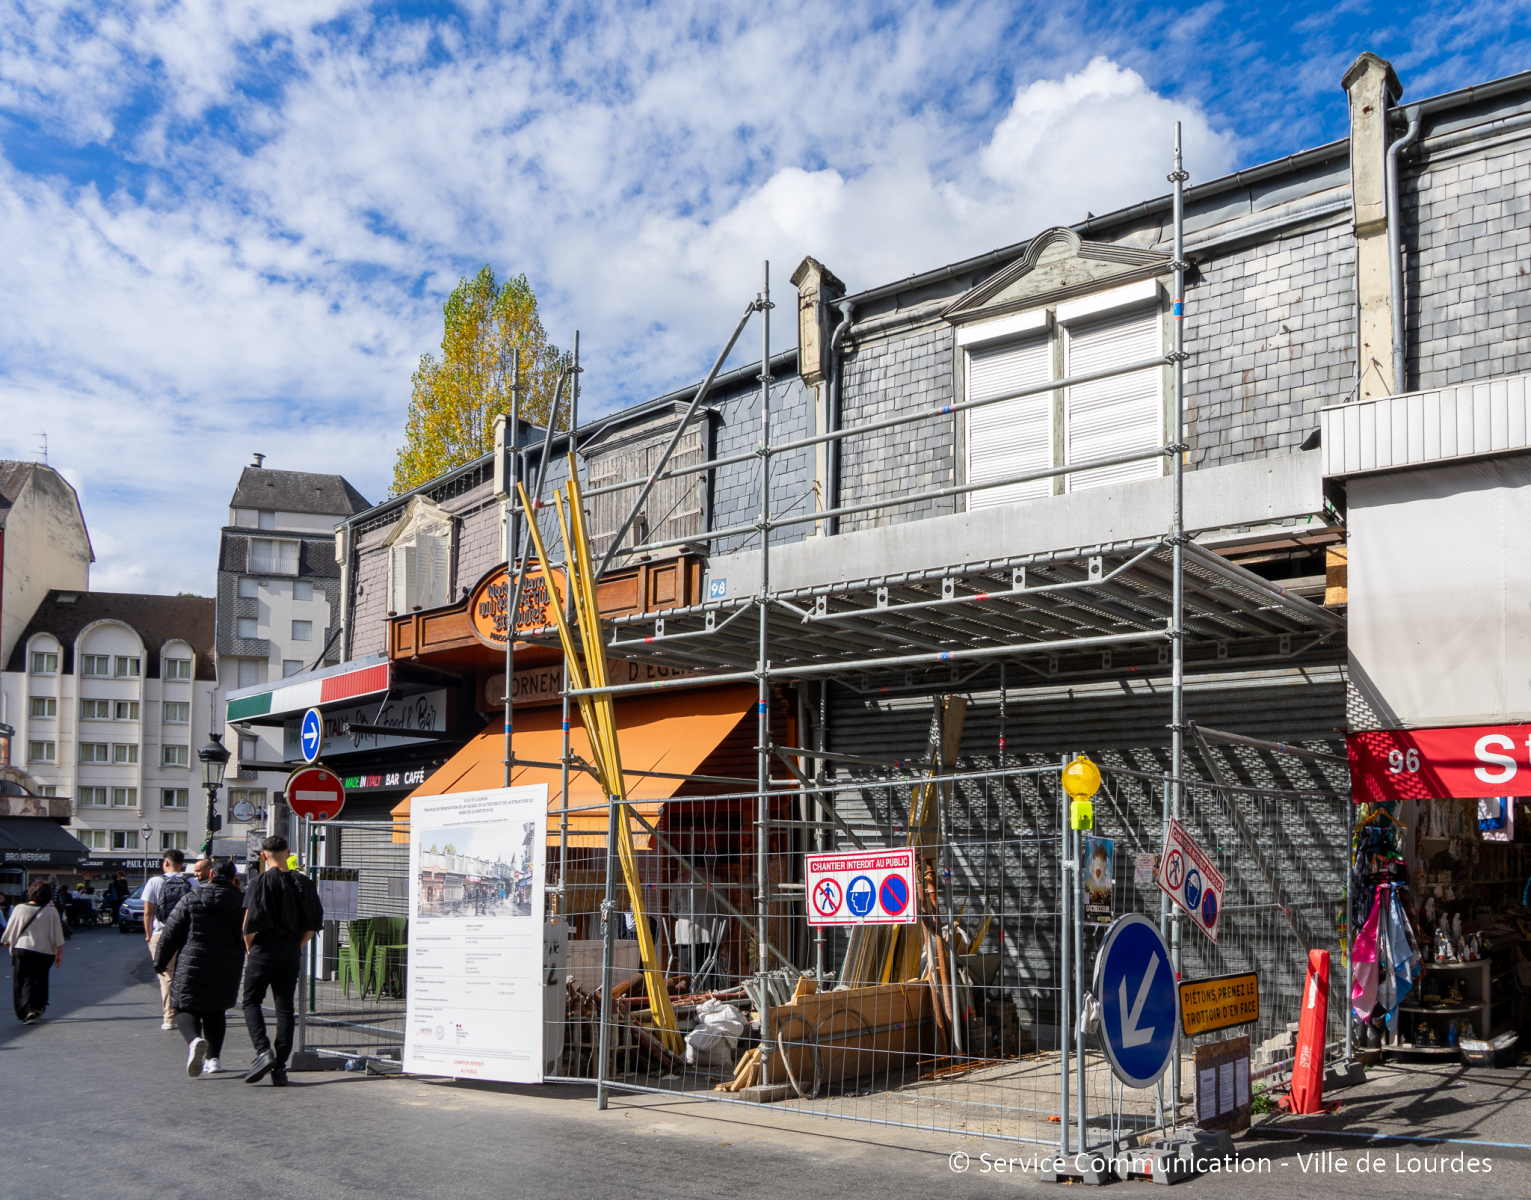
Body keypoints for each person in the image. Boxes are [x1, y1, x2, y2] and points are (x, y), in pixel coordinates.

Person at [241, 835, 324, 1086]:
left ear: (263, 855)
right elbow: (313, 924)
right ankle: (280, 1067)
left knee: (251, 1001)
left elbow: (249, 924)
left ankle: (263, 1051)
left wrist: (249, 948)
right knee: (285, 1007)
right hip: (289, 954)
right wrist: (296, 945)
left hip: (263, 952)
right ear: (288, 853)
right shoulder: (304, 883)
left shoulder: (258, 882)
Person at [153, 860, 247, 1077]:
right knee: (216, 1010)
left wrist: (161, 961)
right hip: (227, 964)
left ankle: (195, 1040)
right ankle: (214, 1060)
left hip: (192, 960)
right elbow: (248, 933)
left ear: (211, 873)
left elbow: (171, 932)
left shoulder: (192, 896)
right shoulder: (242, 901)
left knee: (183, 1005)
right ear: (234, 878)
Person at [3, 881, 66, 1023]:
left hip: (23, 949)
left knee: (24, 980)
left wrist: (8, 940)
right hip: (45, 951)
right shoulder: (51, 911)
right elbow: (58, 934)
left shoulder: (20, 908)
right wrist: (60, 954)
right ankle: (39, 1006)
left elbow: (11, 928)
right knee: (41, 979)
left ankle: (27, 1010)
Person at [143, 849, 192, 1030]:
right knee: (186, 974)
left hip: (162, 934)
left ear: (165, 863)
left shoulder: (155, 881)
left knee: (166, 976)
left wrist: (149, 936)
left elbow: (148, 912)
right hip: (186, 934)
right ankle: (190, 1013)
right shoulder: (191, 881)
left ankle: (170, 1018)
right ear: (182, 863)